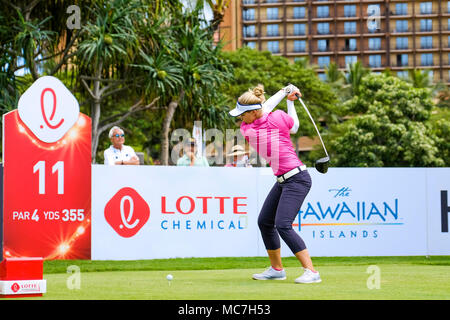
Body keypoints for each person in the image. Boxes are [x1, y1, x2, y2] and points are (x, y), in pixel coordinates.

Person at [228, 84, 321, 284]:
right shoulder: (249, 128)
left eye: (242, 115)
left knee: (283, 224)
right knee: (265, 222)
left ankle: (311, 271)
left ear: (253, 113)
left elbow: (284, 121)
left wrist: (286, 97)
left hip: (297, 178)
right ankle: (277, 269)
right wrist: (286, 96)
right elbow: (288, 122)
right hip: (282, 180)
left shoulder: (267, 119)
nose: (239, 119)